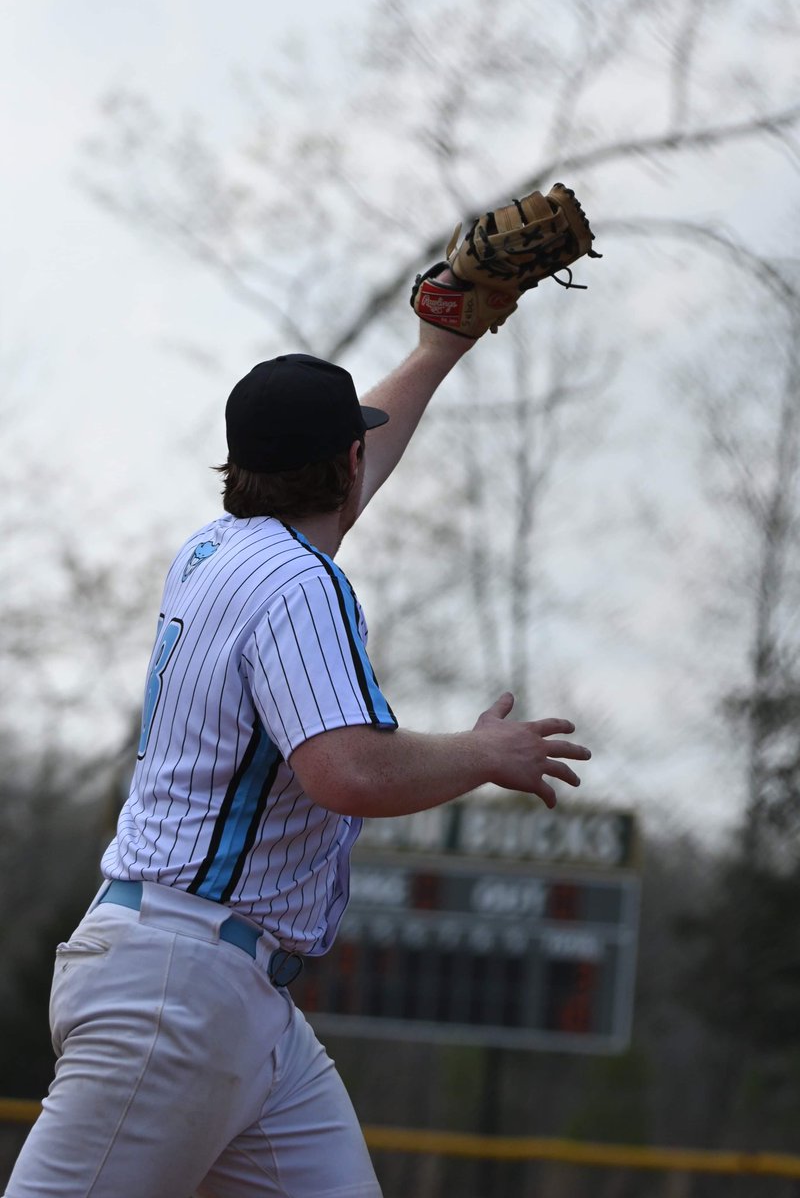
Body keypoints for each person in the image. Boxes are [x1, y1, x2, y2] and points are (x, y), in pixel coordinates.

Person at [5, 303, 591, 1198]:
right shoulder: (300, 585)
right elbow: (346, 770)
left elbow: (345, 482)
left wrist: (439, 350)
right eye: (359, 446)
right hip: (179, 992)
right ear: (347, 462)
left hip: (226, 991)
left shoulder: (212, 551)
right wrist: (483, 754)